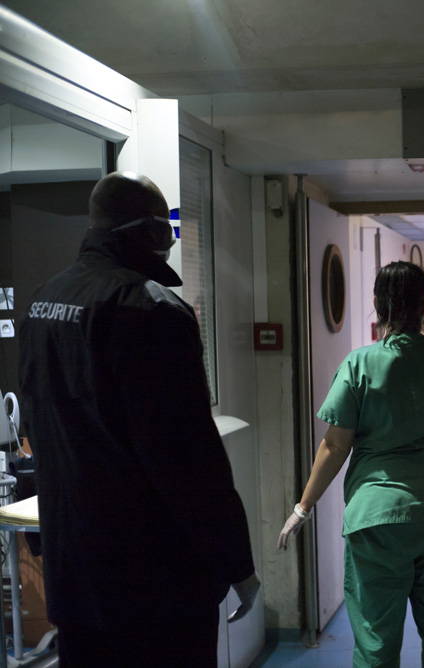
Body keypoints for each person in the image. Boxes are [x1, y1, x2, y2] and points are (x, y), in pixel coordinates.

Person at [18, 171, 259, 668]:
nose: (170, 236)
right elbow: (188, 461)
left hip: (74, 576)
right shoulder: (151, 310)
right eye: (167, 223)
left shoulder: (42, 303)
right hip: (155, 585)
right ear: (146, 230)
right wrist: (236, 564)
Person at [278, 260, 424, 668]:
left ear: (376, 304)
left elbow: (334, 447)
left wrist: (303, 507)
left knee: (375, 639)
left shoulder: (359, 364)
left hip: (377, 518)